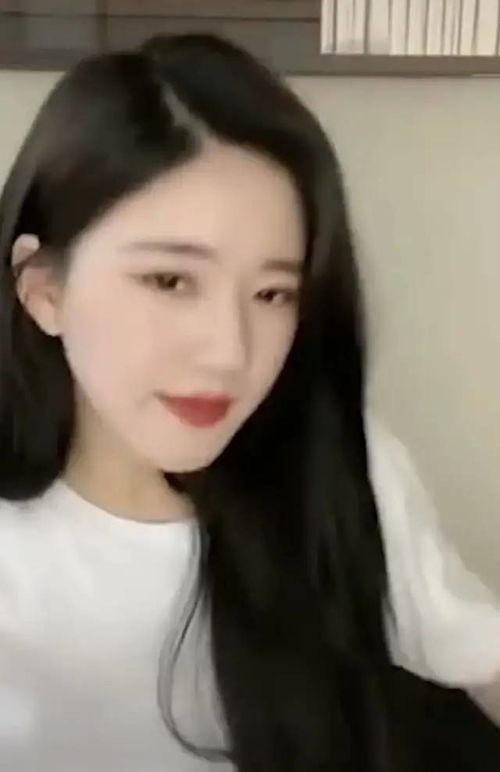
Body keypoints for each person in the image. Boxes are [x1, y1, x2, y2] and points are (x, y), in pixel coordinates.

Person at [0, 32, 499, 772]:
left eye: (272, 293)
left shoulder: (339, 465)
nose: (230, 353)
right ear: (44, 291)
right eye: (171, 281)